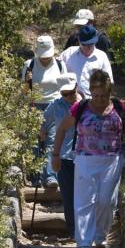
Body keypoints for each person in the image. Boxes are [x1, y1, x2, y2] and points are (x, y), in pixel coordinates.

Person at [51, 70, 125, 248]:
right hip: (85, 159)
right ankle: (84, 244)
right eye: (96, 95)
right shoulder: (80, 108)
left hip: (112, 160)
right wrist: (56, 155)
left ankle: (100, 234)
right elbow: (61, 129)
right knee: (84, 202)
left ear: (109, 92)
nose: (99, 99)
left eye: (103, 95)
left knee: (106, 201)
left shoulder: (119, 107)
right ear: (91, 92)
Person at [21, 35, 67, 187]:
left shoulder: (60, 65)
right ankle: (36, 177)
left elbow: (64, 87)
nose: (46, 58)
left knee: (52, 141)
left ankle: (51, 176)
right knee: (34, 143)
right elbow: (24, 92)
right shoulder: (29, 64)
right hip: (34, 105)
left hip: (54, 106)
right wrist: (27, 81)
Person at [42, 73, 82, 238]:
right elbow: (43, 120)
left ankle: (86, 230)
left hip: (85, 156)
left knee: (85, 196)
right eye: (65, 94)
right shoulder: (56, 105)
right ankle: (74, 232)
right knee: (68, 196)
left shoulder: (88, 104)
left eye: (72, 92)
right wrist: (42, 129)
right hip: (64, 157)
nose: (69, 96)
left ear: (77, 87)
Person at [61, 25, 113, 99]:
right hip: (71, 99)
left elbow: (109, 81)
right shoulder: (68, 54)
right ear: (79, 40)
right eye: (84, 44)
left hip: (94, 100)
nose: (87, 47)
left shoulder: (102, 56)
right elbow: (57, 72)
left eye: (90, 44)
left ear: (95, 41)